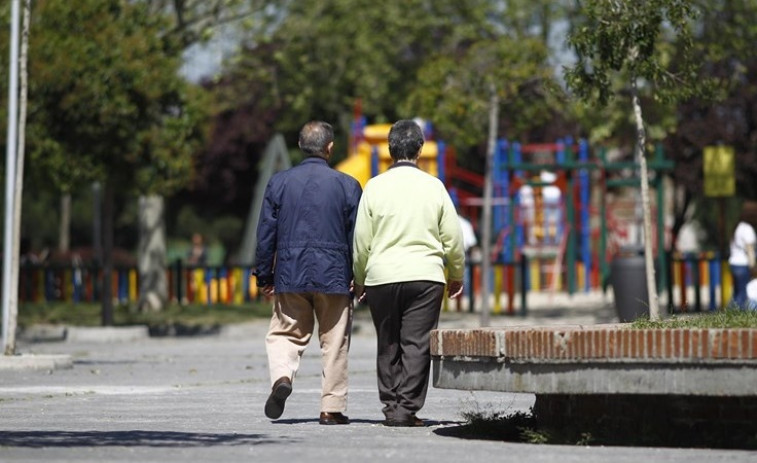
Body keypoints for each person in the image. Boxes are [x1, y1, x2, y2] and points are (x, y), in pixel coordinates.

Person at [352, 119, 465, 427]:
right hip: (425, 276)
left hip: (381, 276)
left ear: (389, 151)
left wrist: (360, 278)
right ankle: (407, 411)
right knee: (416, 344)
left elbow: (362, 241)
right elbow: (452, 238)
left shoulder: (374, 187)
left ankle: (390, 407)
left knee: (387, 342)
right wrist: (456, 273)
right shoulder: (434, 186)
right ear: (420, 148)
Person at [254, 121, 362, 425]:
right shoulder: (348, 184)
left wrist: (264, 274)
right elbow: (358, 235)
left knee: (285, 333)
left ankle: (282, 377)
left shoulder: (279, 182)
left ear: (301, 146)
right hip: (335, 275)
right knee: (335, 341)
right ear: (330, 148)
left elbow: (266, 232)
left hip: (290, 271)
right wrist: (358, 274)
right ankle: (331, 407)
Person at [728, 205, 757, 309]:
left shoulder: (738, 227)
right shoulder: (747, 229)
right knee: (743, 294)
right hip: (742, 264)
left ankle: (731, 313)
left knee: (736, 292)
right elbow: (749, 249)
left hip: (733, 263)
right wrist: (753, 266)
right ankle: (739, 315)